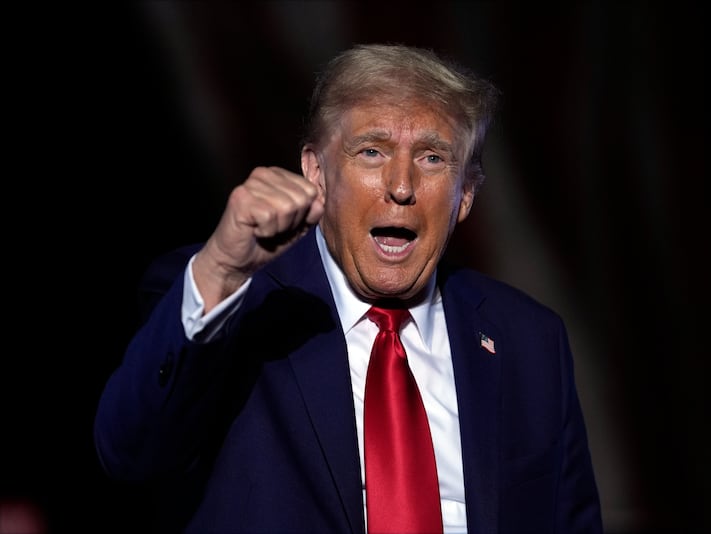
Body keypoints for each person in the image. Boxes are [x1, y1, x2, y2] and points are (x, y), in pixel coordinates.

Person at [94, 43, 603, 533]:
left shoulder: (529, 341)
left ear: (465, 195)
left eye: (431, 158)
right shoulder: (232, 303)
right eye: (372, 151)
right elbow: (128, 450)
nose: (401, 186)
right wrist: (221, 269)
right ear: (317, 171)